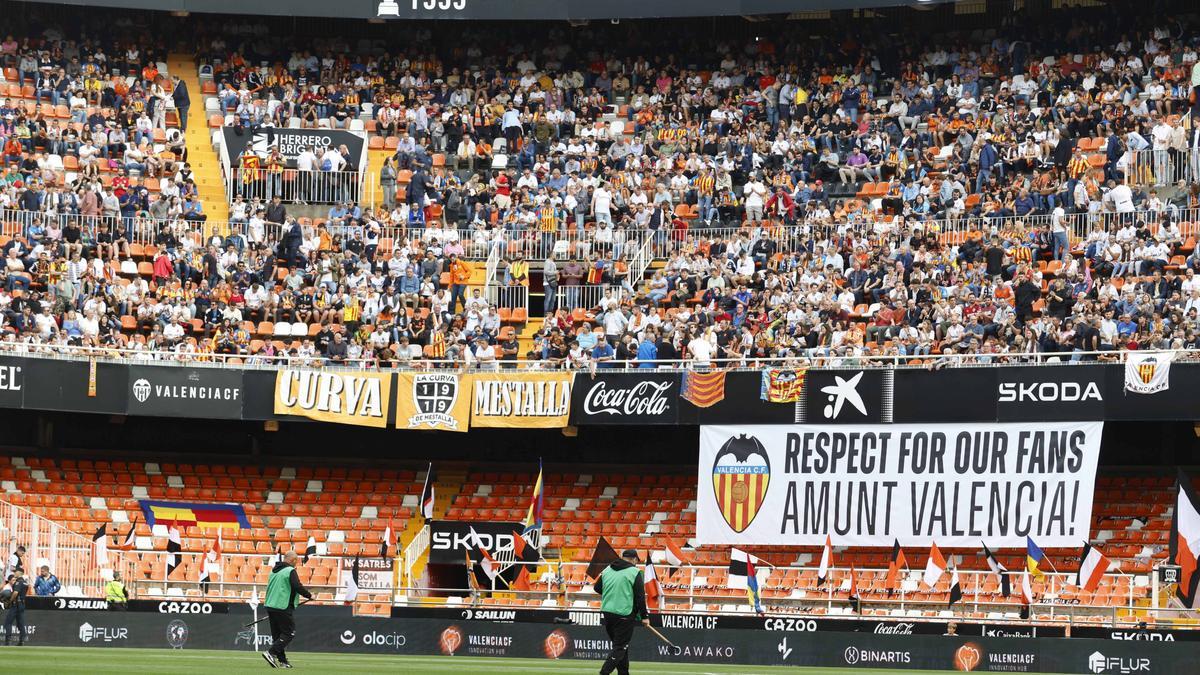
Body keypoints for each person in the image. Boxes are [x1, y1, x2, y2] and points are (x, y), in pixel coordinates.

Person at [593, 549, 648, 675]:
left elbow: (597, 588)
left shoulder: (608, 569)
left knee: (622, 647)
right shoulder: (635, 572)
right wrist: (645, 616)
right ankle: (604, 673)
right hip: (624, 614)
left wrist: (612, 595)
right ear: (634, 560)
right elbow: (640, 596)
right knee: (620, 647)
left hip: (607, 612)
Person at [263, 550, 312, 669]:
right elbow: (297, 586)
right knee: (289, 633)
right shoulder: (290, 571)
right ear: (293, 560)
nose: (296, 564)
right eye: (296, 561)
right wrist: (309, 596)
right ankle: (271, 652)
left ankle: (283, 661)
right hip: (282, 606)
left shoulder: (274, 571)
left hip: (270, 605)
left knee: (278, 636)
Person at [2, 568, 28, 646]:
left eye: (15, 572)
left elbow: (15, 593)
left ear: (19, 573)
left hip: (16, 604)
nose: (14, 573)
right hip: (22, 604)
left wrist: (10, 601)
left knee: (8, 622)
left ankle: (8, 641)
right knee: (20, 623)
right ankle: (22, 641)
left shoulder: (18, 583)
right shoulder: (25, 583)